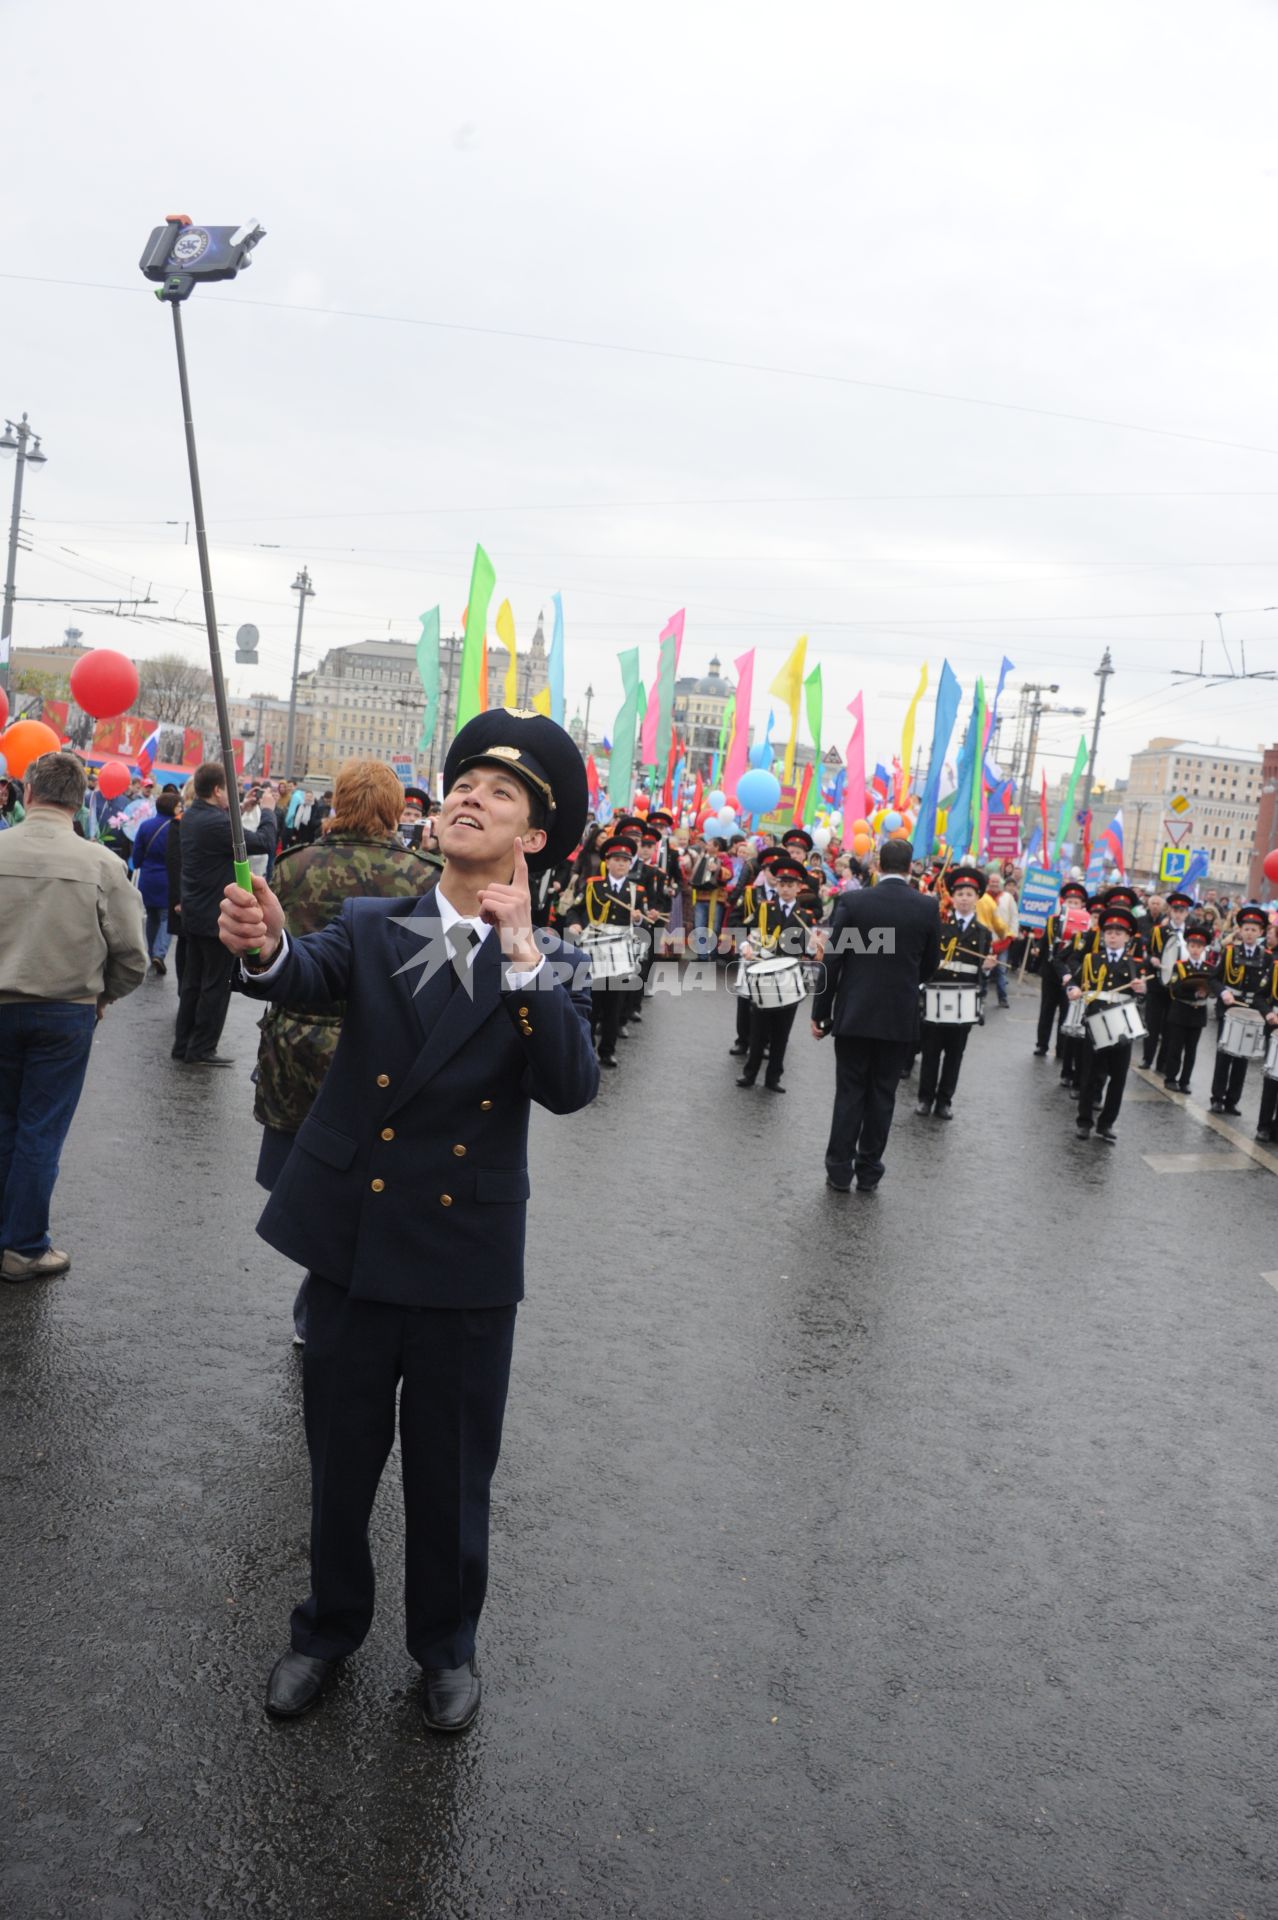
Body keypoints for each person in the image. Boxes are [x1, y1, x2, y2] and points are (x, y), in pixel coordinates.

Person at [218, 709, 596, 1732]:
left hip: (465, 1257)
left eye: (500, 793)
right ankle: (326, 1629)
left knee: (450, 1470)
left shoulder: (551, 955)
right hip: (353, 1236)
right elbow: (303, 976)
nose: (470, 795)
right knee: (341, 1459)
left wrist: (521, 958)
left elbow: (569, 1086)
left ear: (534, 840)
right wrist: (261, 950)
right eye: (465, 781)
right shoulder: (381, 921)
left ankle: (448, 1647)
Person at [252, 760, 439, 1344]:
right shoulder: (422, 876)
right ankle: (341, 1304)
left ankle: (321, 1304)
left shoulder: (294, 866)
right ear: (392, 808)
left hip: (297, 1042)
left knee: (308, 1176)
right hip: (380, 1048)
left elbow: (269, 948)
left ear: (336, 801)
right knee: (372, 1180)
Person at [0, 752, 147, 1280]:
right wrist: (103, 996)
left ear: (29, 792)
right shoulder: (100, 864)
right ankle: (22, 1246)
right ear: (80, 800)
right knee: (40, 1128)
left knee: (5, 1123)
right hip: (65, 1010)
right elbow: (133, 952)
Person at [811, 838, 941, 1193]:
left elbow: (833, 960)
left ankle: (839, 1170)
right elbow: (930, 964)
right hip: (898, 1017)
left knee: (850, 1092)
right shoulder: (927, 907)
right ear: (911, 866)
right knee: (883, 1095)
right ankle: (869, 1171)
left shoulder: (854, 901)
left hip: (854, 1014)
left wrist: (821, 1013)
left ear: (877, 865)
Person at [173, 762, 278, 1069]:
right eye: (230, 790)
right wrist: (269, 810)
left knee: (193, 982)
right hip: (213, 917)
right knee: (215, 985)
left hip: (194, 913)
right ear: (218, 790)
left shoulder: (193, 816)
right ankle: (202, 1048)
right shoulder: (217, 824)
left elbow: (221, 829)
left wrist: (240, 808)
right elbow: (264, 843)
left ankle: (183, 1044)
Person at [916, 865, 996, 1119]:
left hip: (965, 1000)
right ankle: (925, 1098)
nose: (963, 898)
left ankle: (944, 1101)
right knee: (930, 1051)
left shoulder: (983, 933)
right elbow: (928, 959)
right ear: (952, 896)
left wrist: (986, 968)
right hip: (937, 995)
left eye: (969, 894)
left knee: (955, 1054)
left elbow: (982, 972)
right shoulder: (940, 925)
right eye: (959, 893)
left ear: (977, 898)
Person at [1064, 903, 1147, 1143]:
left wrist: (1142, 991)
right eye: (1109, 932)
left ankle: (1106, 1123)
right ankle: (1084, 1122)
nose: (1113, 937)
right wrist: (1073, 989)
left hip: (1122, 1025)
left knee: (1118, 1078)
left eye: (1118, 933)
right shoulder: (1092, 960)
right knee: (1089, 1075)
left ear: (1127, 938)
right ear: (1103, 935)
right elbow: (1075, 983)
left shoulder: (1135, 964)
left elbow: (1141, 997)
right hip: (1095, 1023)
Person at [736, 858, 816, 1093]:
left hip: (789, 977)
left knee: (782, 1032)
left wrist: (815, 945)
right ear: (777, 885)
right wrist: (746, 948)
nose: (786, 889)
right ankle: (749, 1074)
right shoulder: (764, 908)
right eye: (782, 884)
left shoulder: (806, 916)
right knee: (759, 1029)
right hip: (765, 974)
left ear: (799, 887)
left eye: (791, 885)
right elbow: (749, 933)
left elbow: (808, 950)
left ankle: (773, 1077)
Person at [577, 834, 649, 1067]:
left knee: (614, 1002)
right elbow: (575, 910)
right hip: (597, 949)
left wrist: (638, 920)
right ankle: (587, 1048)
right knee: (594, 1001)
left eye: (626, 860)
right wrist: (574, 923)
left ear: (630, 864)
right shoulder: (593, 885)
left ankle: (607, 1050)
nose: (621, 864)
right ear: (608, 861)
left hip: (620, 951)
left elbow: (644, 924)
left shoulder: (636, 890)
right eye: (617, 859)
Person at [1210, 904, 1273, 1115]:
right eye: (1246, 928)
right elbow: (1213, 979)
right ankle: (1217, 1097)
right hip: (1229, 1008)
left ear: (1261, 933)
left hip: (1252, 1011)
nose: (1249, 933)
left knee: (1243, 1057)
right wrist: (1222, 993)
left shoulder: (1266, 957)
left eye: (1254, 930)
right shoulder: (1230, 953)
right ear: (1240, 930)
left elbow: (1266, 987)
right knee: (1224, 1054)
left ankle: (1232, 1100)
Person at [1033, 879, 1089, 1058]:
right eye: (1069, 902)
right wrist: (1037, 954)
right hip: (1050, 973)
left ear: (1082, 905)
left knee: (1066, 1012)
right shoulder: (1053, 921)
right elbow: (1045, 942)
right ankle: (1042, 1045)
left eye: (1076, 903)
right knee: (1046, 1010)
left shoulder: (1086, 927)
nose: (1072, 905)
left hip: (1071, 975)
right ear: (1063, 903)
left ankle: (1061, 1049)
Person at [1160, 919, 1214, 1093]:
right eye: (1192, 945)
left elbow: (1214, 988)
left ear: (1204, 948)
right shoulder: (1179, 966)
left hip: (1198, 1013)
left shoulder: (1209, 968)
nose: (1195, 949)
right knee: (1175, 1048)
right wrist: (1194, 992)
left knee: (1191, 1051)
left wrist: (1207, 993)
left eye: (1199, 946)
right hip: (1181, 1011)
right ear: (1187, 947)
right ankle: (1170, 1078)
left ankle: (1185, 1081)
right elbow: (1174, 988)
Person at [131, 786, 180, 976]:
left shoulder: (145, 826)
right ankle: (159, 953)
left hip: (148, 877)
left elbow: (137, 856)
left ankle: (152, 952)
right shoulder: (177, 827)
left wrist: (139, 864)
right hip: (168, 878)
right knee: (167, 917)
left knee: (151, 917)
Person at [1142, 891, 1192, 1069]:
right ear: (1170, 911)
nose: (1178, 914)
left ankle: (1162, 1063)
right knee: (1153, 1025)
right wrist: (1152, 960)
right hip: (1157, 986)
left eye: (1182, 911)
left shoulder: (1192, 935)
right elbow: (1148, 954)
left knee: (1170, 1028)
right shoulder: (1158, 931)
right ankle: (1147, 1059)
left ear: (1187, 913)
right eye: (1175, 910)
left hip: (1178, 988)